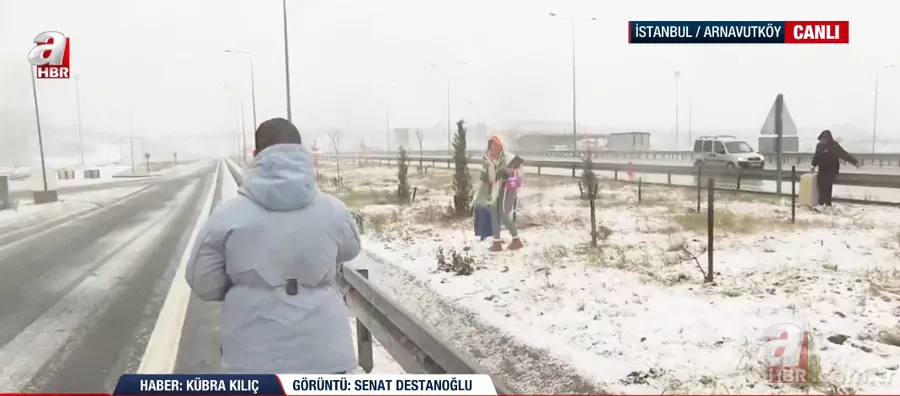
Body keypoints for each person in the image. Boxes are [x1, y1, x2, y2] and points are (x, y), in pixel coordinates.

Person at [185, 117, 361, 374]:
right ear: (303, 153)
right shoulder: (333, 211)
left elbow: (204, 283)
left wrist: (248, 283)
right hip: (327, 359)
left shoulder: (227, 216)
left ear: (255, 155)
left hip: (252, 363)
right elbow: (350, 248)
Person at [485, 136, 523, 252]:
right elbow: (486, 174)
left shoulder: (507, 157)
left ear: (501, 147)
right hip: (493, 188)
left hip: (506, 189)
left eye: (496, 146)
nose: (493, 149)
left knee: (502, 212)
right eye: (492, 147)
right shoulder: (488, 159)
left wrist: (506, 172)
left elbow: (517, 165)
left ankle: (516, 240)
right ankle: (496, 242)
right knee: (494, 213)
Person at [810, 129, 858, 213]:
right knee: (821, 185)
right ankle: (825, 204)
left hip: (832, 169)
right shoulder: (819, 146)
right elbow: (816, 156)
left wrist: (854, 162)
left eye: (824, 139)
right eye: (821, 139)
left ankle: (824, 204)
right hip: (822, 169)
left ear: (828, 138)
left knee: (827, 186)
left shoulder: (834, 146)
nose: (823, 141)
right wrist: (813, 165)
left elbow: (844, 154)